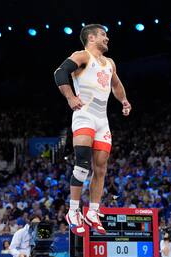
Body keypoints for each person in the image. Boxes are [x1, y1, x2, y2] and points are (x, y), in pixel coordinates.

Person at [54, 24, 131, 236]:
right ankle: (73, 211)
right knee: (83, 164)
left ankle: (93, 212)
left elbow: (116, 85)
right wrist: (70, 97)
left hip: (102, 120)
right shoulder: (82, 55)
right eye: (103, 35)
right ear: (91, 37)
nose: (107, 38)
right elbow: (60, 72)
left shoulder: (110, 63)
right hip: (84, 114)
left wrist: (124, 100)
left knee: (101, 167)